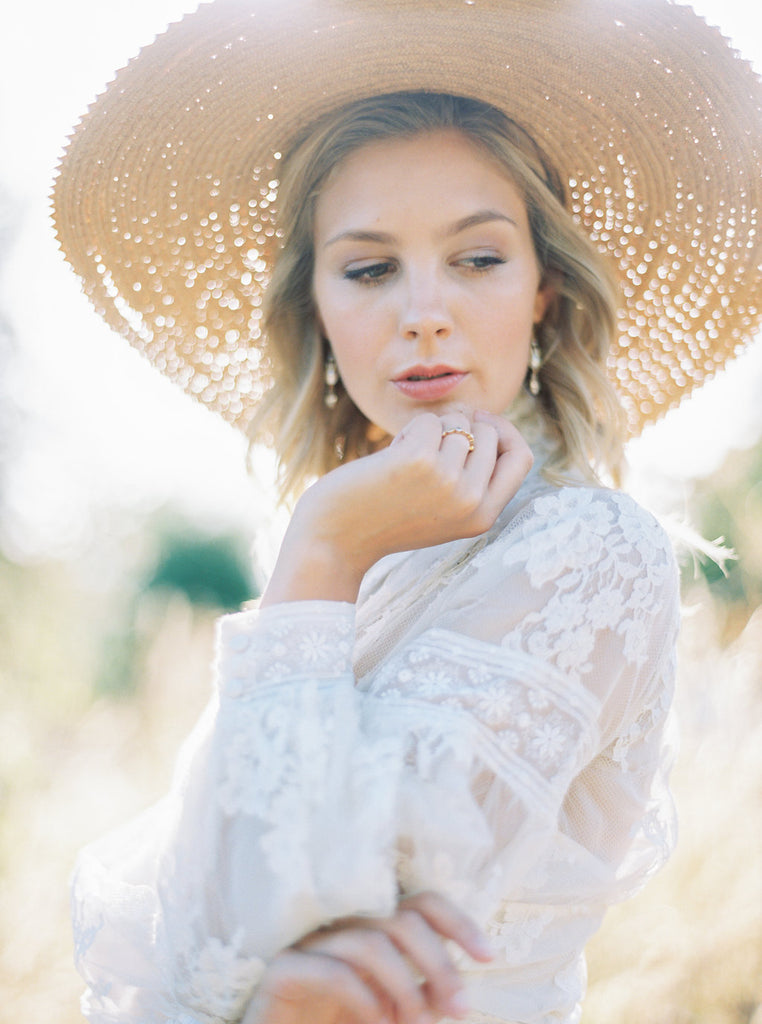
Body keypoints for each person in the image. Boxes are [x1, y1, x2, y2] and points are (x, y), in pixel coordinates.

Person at [52, 1, 762, 1022]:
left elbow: (278, 947)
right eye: (370, 267)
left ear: (543, 293)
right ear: (318, 309)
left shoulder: (591, 550)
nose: (423, 308)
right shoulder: (352, 565)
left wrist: (325, 548)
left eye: (477, 257)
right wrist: (326, 554)